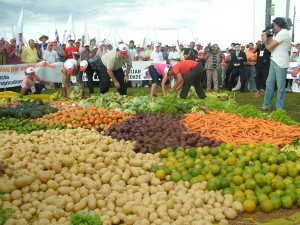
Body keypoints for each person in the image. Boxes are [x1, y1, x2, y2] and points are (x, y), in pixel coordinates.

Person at [261, 17, 292, 110]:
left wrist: (265, 40)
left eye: (274, 25)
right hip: (275, 60)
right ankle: (267, 104)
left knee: (280, 87)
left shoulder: (283, 33)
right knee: (269, 84)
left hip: (281, 63)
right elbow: (273, 47)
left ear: (279, 24)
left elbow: (269, 47)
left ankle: (279, 107)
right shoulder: (280, 34)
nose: (273, 27)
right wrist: (267, 40)